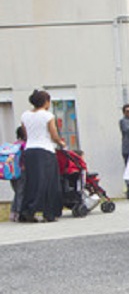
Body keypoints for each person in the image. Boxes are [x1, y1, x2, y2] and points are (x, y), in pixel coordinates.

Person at [19, 89, 66, 222]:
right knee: (49, 182)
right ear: (46, 102)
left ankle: (28, 210)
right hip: (45, 150)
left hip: (29, 150)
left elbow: (26, 134)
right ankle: (50, 212)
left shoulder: (25, 115)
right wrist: (61, 143)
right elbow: (53, 134)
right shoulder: (47, 115)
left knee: (32, 181)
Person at [9, 126, 27, 222]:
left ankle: (13, 213)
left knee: (17, 192)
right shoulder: (24, 145)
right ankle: (19, 213)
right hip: (21, 170)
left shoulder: (14, 145)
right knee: (21, 192)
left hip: (12, 171)